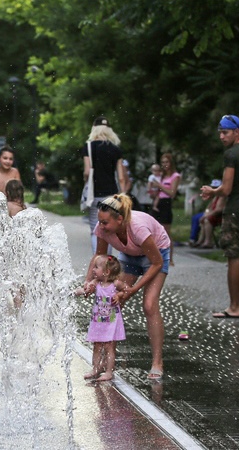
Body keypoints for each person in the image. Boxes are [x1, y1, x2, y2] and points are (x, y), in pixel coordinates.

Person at [92, 194, 170, 380]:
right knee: (112, 303)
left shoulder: (138, 228)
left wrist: (133, 290)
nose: (100, 227)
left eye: (105, 223)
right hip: (130, 255)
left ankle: (157, 362)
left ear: (120, 219)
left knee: (149, 305)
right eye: (100, 222)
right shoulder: (102, 227)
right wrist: (90, 282)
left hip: (155, 256)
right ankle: (107, 359)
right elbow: (99, 258)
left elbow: (157, 263)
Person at [200, 115, 239, 321]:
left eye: (225, 132)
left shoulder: (232, 154)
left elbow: (226, 189)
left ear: (237, 132)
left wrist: (212, 191)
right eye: (220, 132)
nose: (221, 136)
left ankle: (235, 307)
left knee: (234, 259)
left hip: (237, 211)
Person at [75, 254, 128, 382]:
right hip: (98, 322)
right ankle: (95, 368)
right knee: (97, 345)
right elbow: (86, 290)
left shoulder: (115, 284)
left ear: (106, 272)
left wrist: (119, 295)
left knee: (109, 346)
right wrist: (79, 291)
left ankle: (109, 371)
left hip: (111, 322)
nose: (93, 270)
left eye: (96, 267)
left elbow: (127, 290)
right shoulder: (96, 284)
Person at [83, 116, 128, 253]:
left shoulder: (89, 147)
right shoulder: (115, 149)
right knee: (109, 229)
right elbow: (121, 177)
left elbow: (86, 171)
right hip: (112, 195)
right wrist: (123, 194)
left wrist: (87, 183)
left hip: (94, 193)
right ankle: (108, 263)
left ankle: (98, 261)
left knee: (94, 230)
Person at [149, 153, 181, 265]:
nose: (165, 164)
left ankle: (169, 258)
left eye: (166, 162)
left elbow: (172, 193)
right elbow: (158, 191)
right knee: (154, 230)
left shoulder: (175, 176)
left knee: (166, 231)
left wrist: (160, 186)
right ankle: (155, 256)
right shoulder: (161, 176)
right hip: (159, 202)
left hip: (166, 203)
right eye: (162, 162)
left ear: (171, 163)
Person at [190, 180, 225, 248]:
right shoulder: (215, 197)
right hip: (212, 214)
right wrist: (206, 214)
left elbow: (218, 210)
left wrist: (206, 215)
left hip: (219, 216)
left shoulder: (222, 197)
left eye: (216, 187)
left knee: (207, 220)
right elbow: (208, 208)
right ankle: (199, 240)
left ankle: (208, 241)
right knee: (199, 218)